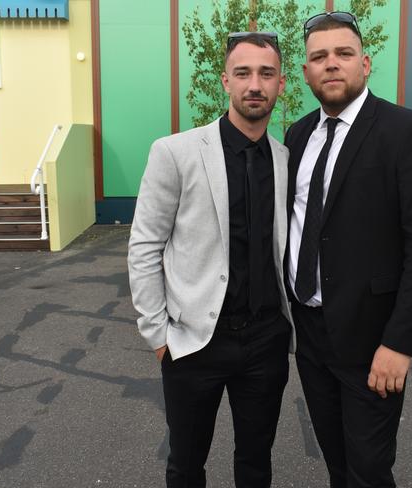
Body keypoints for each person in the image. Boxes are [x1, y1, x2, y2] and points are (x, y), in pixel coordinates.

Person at [285, 12, 412, 487]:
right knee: (337, 461)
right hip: (311, 333)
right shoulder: (298, 135)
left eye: (342, 54)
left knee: (369, 470)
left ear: (365, 62)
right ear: (305, 72)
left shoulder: (406, 132)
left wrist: (401, 342)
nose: (331, 64)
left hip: (371, 342)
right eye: (319, 57)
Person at [128, 33, 293, 488]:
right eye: (243, 73)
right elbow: (144, 245)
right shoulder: (175, 152)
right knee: (186, 464)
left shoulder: (286, 160)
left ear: (281, 83)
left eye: (265, 74)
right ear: (226, 81)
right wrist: (157, 334)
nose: (254, 84)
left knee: (257, 463)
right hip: (193, 343)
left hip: (265, 342)